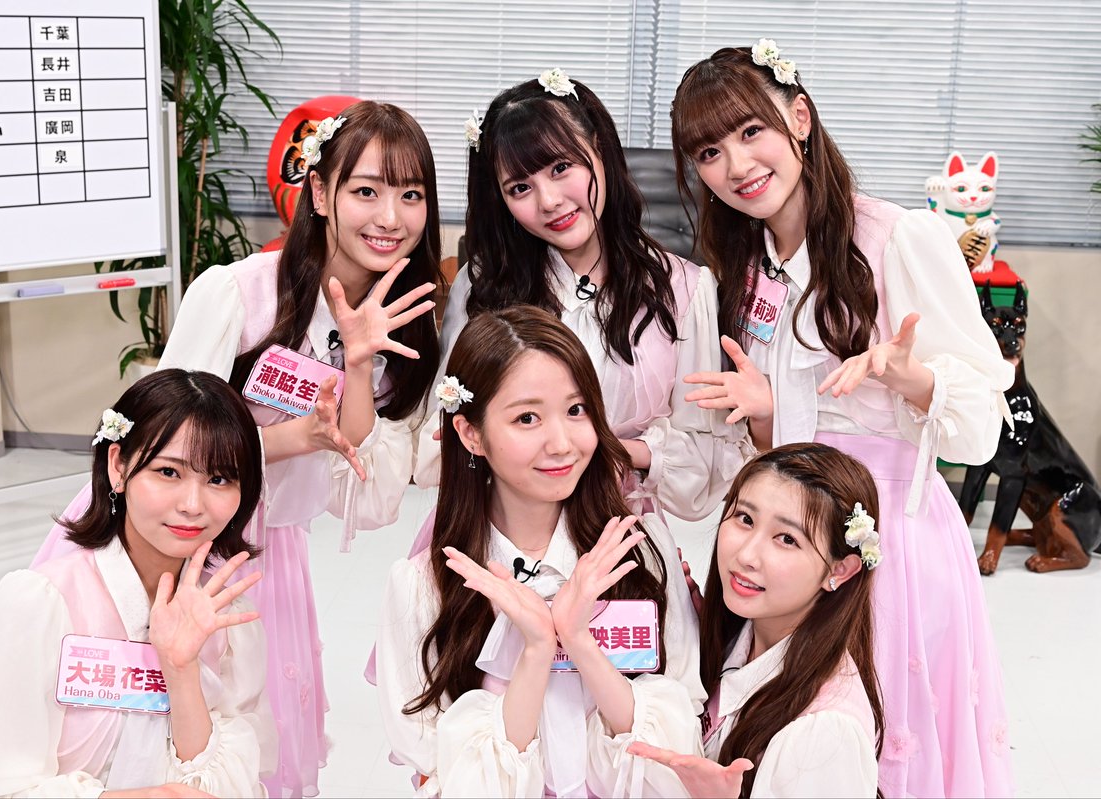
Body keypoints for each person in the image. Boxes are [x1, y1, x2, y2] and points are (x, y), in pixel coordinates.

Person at [34, 101, 443, 797]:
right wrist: (291, 439)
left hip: (265, 551)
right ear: (320, 193)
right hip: (169, 532)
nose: (390, 216)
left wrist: (356, 366)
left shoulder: (404, 321)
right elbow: (162, 436)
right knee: (123, 716)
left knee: (244, 742)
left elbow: (364, 486)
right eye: (366, 190)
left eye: (411, 194)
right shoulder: (238, 292)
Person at [670, 41, 1014, 797]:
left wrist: (909, 376)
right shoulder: (747, 263)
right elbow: (786, 439)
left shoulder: (897, 238)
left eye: (751, 131)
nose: (736, 165)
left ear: (799, 117)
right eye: (710, 152)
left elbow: (982, 425)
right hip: (791, 541)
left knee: (882, 747)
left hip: (885, 541)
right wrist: (768, 417)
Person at [377, 307, 704, 798]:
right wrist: (535, 651)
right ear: (470, 433)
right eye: (527, 418)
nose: (562, 443)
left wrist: (578, 640)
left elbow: (673, 750)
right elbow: (449, 774)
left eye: (576, 410)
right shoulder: (422, 587)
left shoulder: (641, 548)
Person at [415, 68, 753, 519]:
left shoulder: (684, 290)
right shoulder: (484, 285)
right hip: (505, 527)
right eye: (520, 188)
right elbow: (438, 443)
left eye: (561, 168)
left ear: (598, 149)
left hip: (619, 529)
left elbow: (704, 467)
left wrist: (615, 451)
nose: (549, 201)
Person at [0, 370, 275, 797]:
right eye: (168, 472)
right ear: (118, 466)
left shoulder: (225, 621)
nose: (192, 504)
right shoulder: (40, 604)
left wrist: (181, 670)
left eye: (219, 479)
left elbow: (230, 782)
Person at [629, 443, 885, 798]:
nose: (747, 555)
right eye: (745, 519)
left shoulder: (826, 732)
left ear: (839, 570)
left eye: (787, 539)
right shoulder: (736, 639)